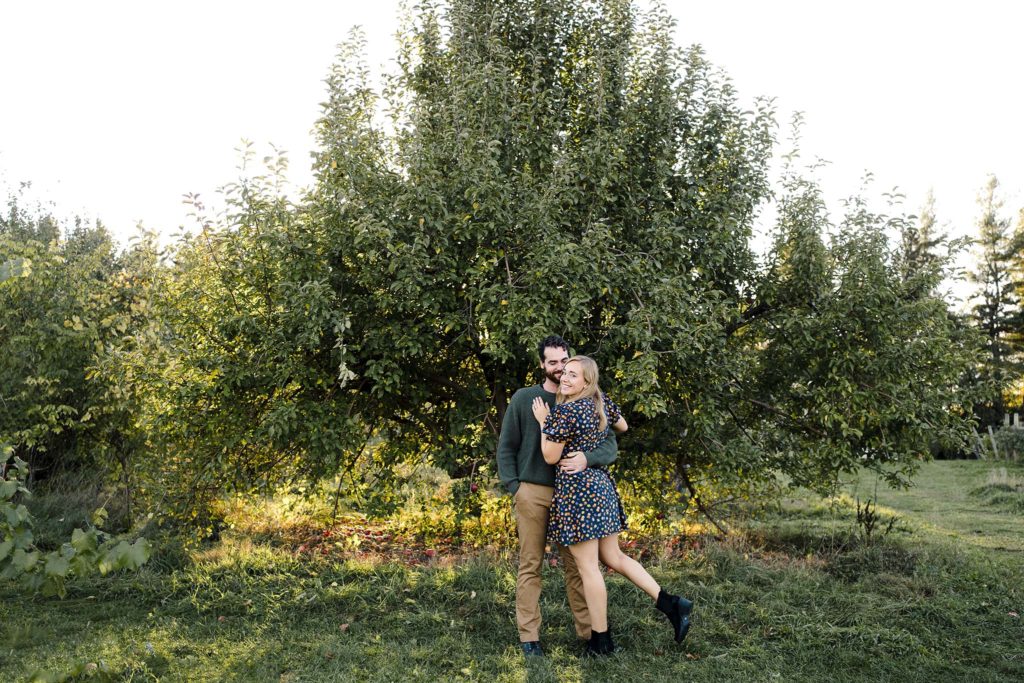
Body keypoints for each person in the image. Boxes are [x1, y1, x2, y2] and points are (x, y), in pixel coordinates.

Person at [531, 354, 693, 656]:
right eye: (565, 372)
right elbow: (623, 425)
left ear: (586, 382)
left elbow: (550, 457)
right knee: (613, 556)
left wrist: (544, 421)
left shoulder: (565, 412)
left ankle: (601, 641)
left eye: (574, 375)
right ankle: (671, 603)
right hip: (601, 488)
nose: (565, 378)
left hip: (579, 493)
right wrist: (591, 447)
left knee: (588, 568)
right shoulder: (598, 402)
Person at [496, 336, 619, 657]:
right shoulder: (525, 398)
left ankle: (590, 633)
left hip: (574, 496)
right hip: (533, 493)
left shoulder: (587, 399)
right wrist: (515, 486)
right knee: (530, 564)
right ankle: (529, 637)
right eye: (552, 362)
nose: (560, 368)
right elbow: (506, 446)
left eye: (564, 361)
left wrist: (587, 458)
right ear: (542, 364)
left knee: (578, 567)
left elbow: (610, 444)